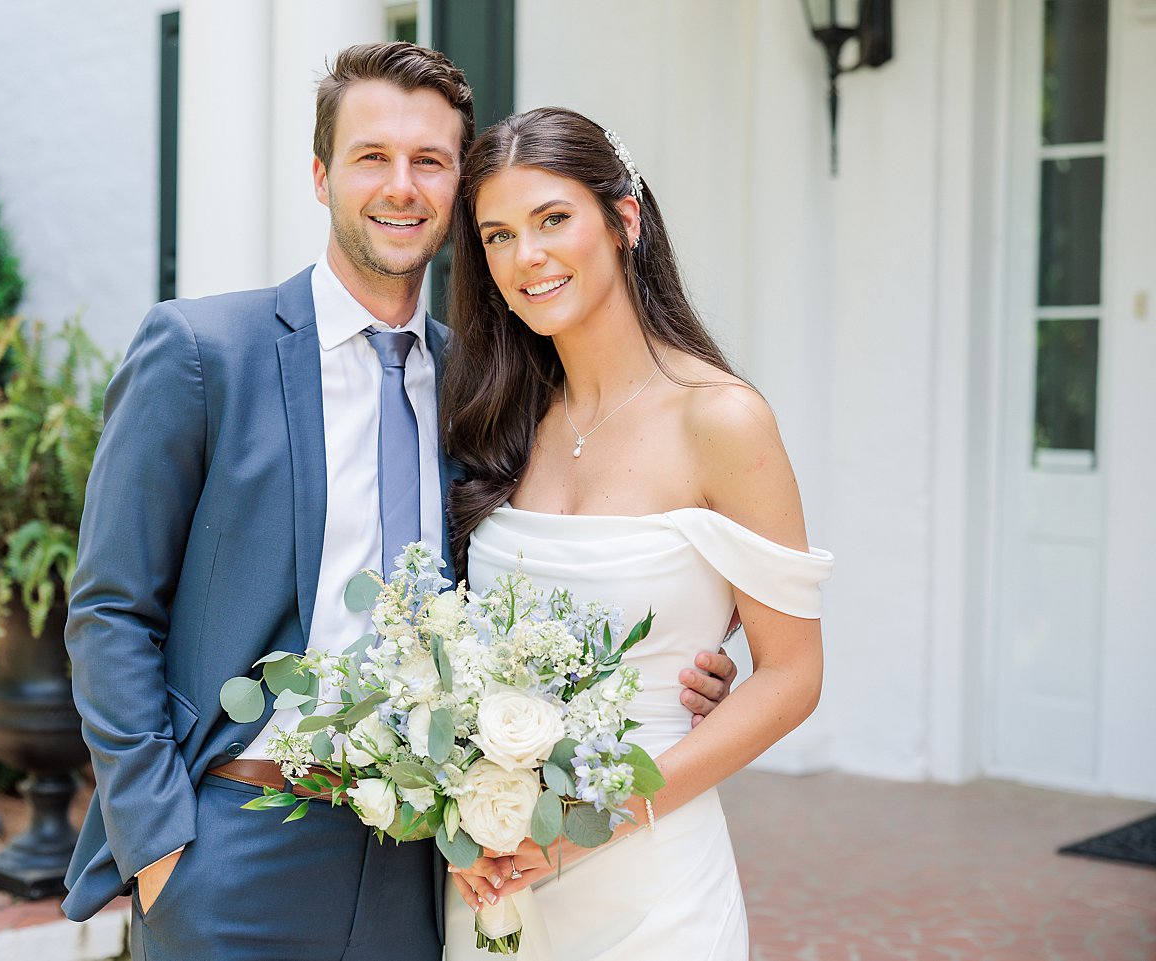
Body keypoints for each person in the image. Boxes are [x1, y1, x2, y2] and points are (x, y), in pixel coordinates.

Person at [60, 43, 735, 961]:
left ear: (458, 187)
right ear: (320, 173)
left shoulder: (489, 389)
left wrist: (678, 663)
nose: (401, 186)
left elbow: (558, 559)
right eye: (372, 156)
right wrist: (159, 847)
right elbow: (109, 606)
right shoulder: (201, 353)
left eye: (430, 161)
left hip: (426, 857)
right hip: (230, 836)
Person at [439, 107, 834, 959]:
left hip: (652, 880)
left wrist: (592, 824)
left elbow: (793, 675)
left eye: (553, 219)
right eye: (498, 235)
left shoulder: (720, 419)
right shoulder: (501, 418)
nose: (527, 257)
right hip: (496, 878)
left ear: (624, 219)